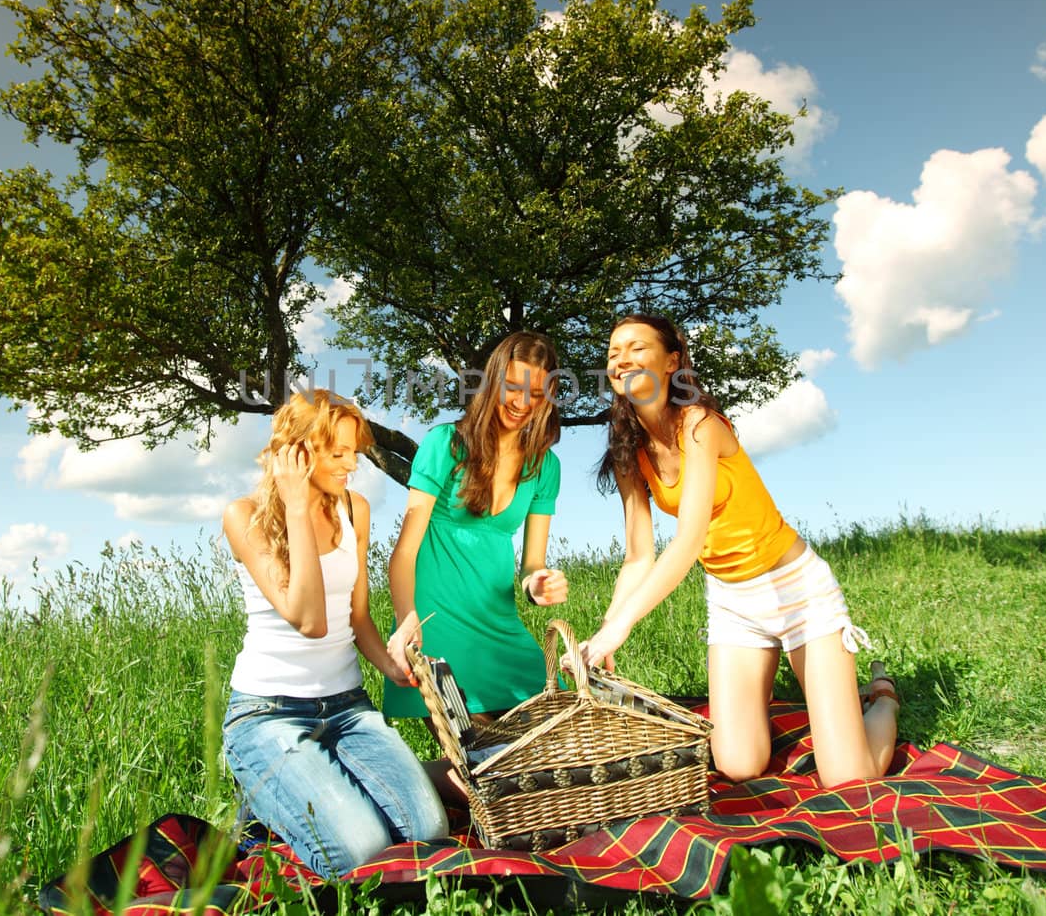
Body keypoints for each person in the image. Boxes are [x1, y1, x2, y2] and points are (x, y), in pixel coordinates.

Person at [580, 314, 900, 788]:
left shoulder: (700, 424)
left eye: (635, 348)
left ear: (672, 362)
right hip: (734, 602)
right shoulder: (630, 449)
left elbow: (688, 539)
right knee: (737, 765)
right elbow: (638, 557)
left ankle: (884, 696)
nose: (620, 359)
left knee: (848, 778)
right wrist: (604, 631)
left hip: (798, 592)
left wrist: (623, 626)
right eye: (612, 352)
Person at [220, 390, 449, 879]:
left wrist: (393, 664)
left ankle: (307, 788)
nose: (352, 464)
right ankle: (261, 804)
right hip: (267, 714)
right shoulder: (244, 517)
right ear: (297, 452)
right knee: (360, 852)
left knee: (427, 831)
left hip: (346, 706)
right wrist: (297, 508)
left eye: (354, 451)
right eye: (337, 453)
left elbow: (357, 616)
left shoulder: (355, 508)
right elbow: (309, 619)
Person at [383, 332, 570, 725]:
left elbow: (533, 564)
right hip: (438, 630)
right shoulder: (445, 445)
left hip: (501, 630)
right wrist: (406, 621)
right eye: (512, 387)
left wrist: (537, 585)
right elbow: (404, 552)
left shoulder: (544, 467)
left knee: (558, 741)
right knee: (483, 766)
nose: (522, 403)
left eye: (536, 393)